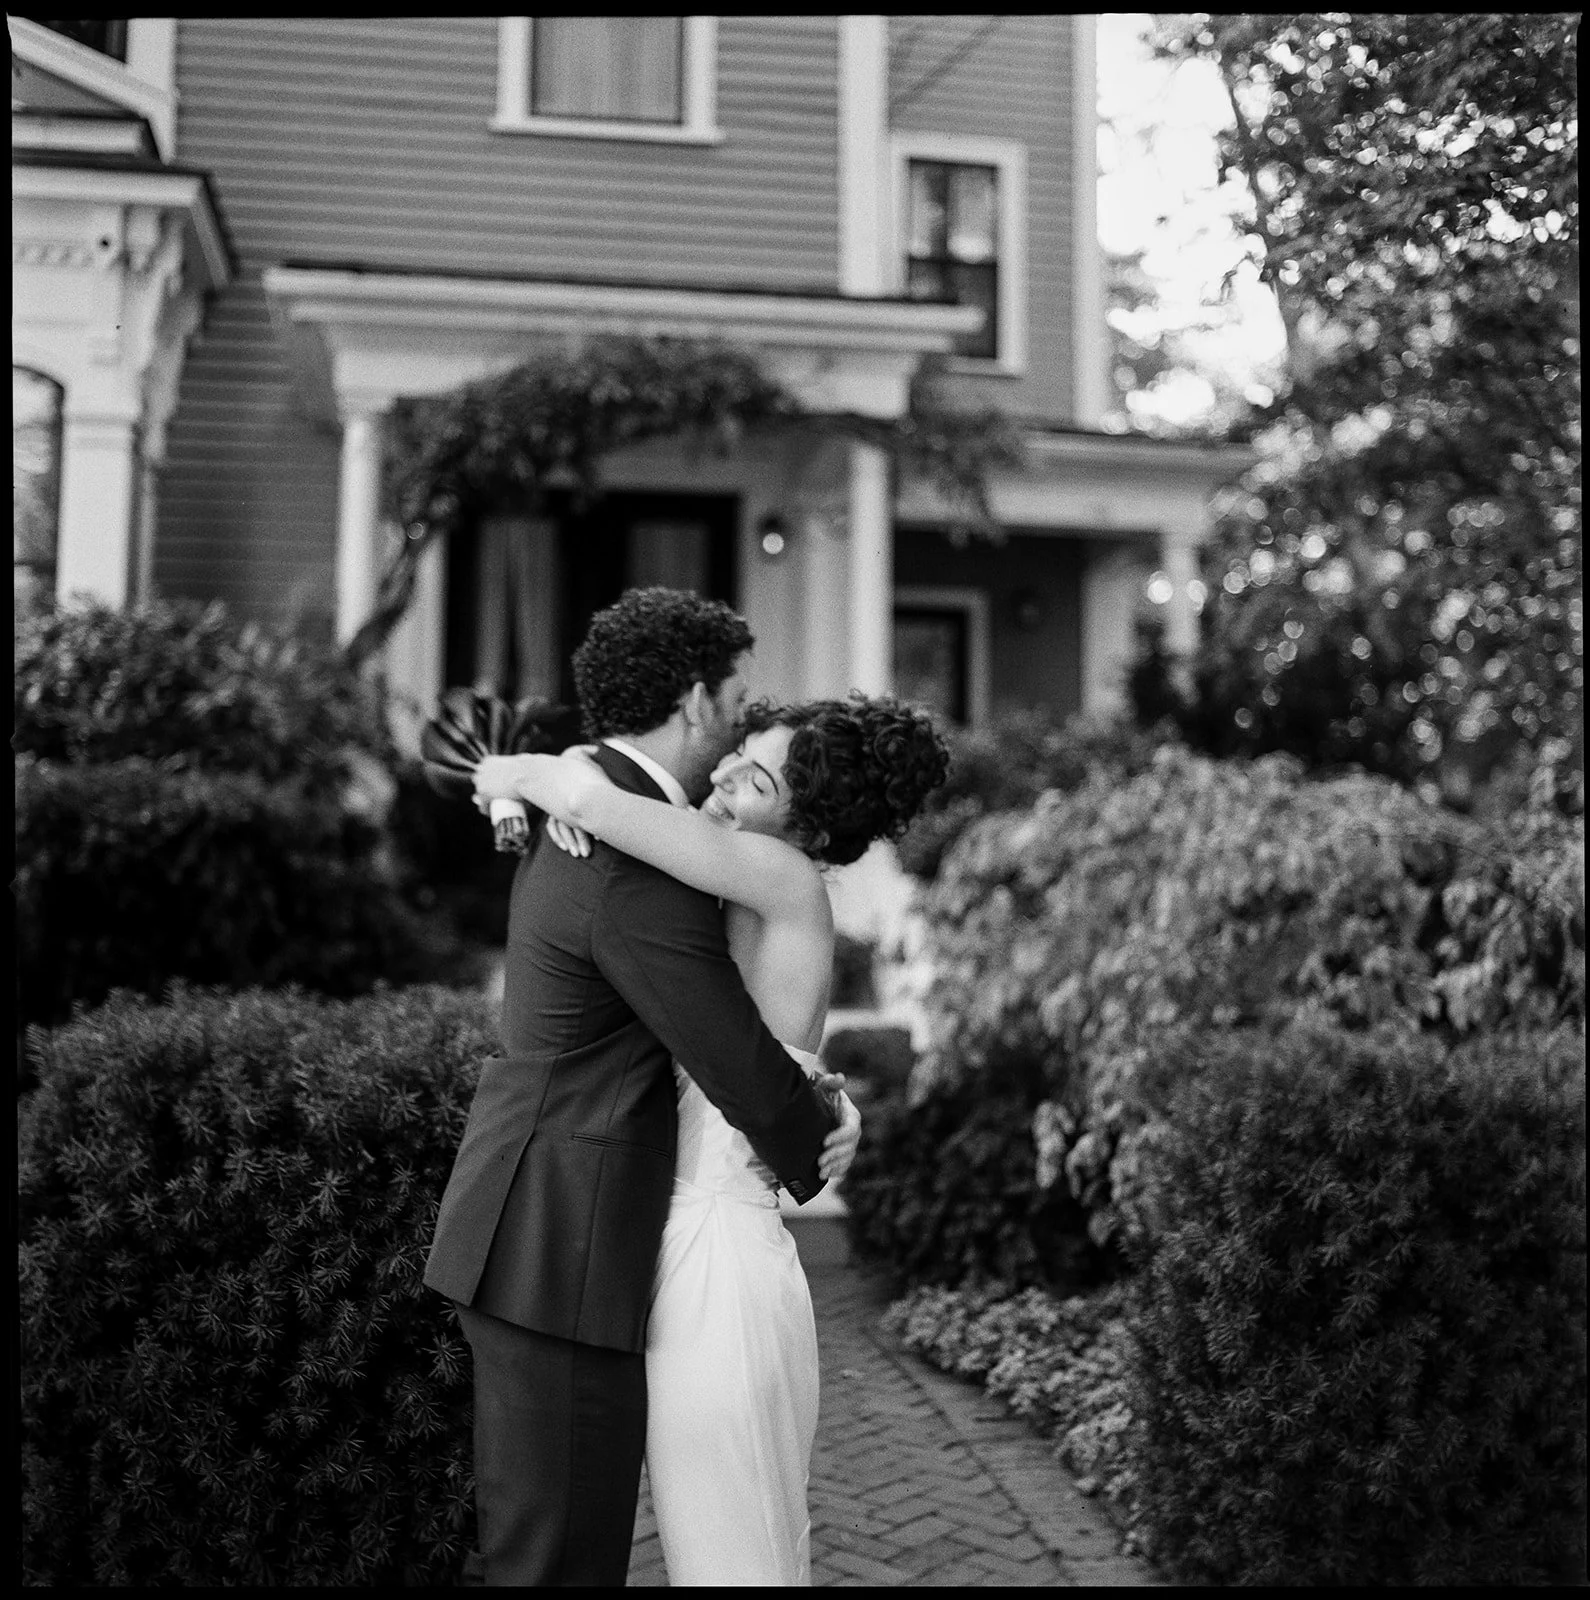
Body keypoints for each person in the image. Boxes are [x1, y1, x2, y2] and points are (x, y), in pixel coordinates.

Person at [424, 588, 861, 1587]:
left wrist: (837, 1108)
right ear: (700, 699)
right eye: (738, 701)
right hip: (556, 1244)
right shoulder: (624, 849)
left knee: (561, 1551)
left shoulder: (610, 812)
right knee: (557, 1560)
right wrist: (816, 1137)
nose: (742, 724)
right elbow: (727, 1047)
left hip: (559, 1239)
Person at [473, 688, 950, 1584]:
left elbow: (594, 805)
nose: (726, 772)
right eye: (738, 753)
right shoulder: (739, 880)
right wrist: (840, 1116)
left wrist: (522, 775)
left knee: (734, 1560)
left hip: (718, 1274)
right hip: (673, 1248)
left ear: (807, 827)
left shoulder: (777, 876)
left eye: (758, 778)